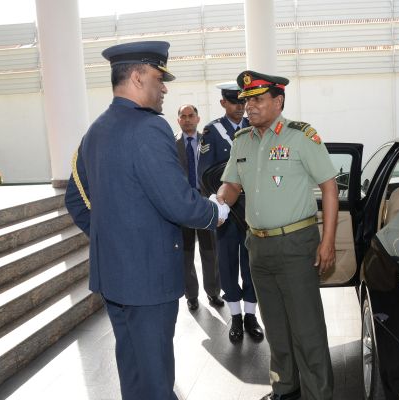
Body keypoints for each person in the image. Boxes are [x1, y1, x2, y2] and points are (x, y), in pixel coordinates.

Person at [64, 41, 229, 400]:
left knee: (134, 371)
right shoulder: (150, 128)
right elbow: (178, 202)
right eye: (159, 78)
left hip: (114, 275)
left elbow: (75, 199)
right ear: (138, 77)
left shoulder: (95, 130)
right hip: (148, 278)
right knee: (155, 380)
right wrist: (215, 211)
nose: (164, 88)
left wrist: (112, 240)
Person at [215, 70, 339, 400]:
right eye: (247, 101)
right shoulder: (242, 140)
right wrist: (219, 202)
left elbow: (329, 187)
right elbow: (231, 184)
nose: (249, 106)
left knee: (307, 328)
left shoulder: (301, 136)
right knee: (275, 325)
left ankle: (318, 394)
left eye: (258, 99)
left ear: (278, 101)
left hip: (296, 244)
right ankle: (285, 387)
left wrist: (328, 241)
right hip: (257, 245)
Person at [199, 82, 264, 343]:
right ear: (223, 103)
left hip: (252, 208)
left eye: (243, 101)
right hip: (227, 210)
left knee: (251, 263)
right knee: (226, 263)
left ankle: (251, 316)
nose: (240, 107)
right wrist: (219, 206)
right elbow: (205, 175)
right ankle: (235, 316)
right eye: (234, 102)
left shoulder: (256, 127)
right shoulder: (212, 131)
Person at [175, 104, 224, 311]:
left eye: (191, 115)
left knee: (210, 249)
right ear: (178, 120)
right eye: (183, 116)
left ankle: (213, 292)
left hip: (205, 202)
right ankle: (191, 295)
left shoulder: (208, 141)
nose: (187, 119)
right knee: (186, 252)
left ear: (197, 118)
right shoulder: (171, 144)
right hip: (183, 205)